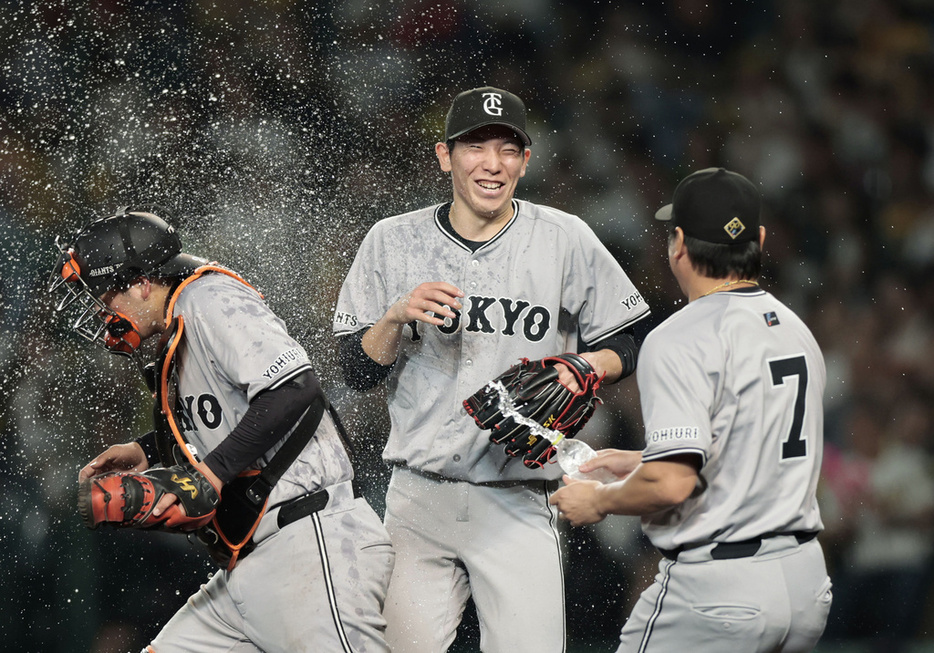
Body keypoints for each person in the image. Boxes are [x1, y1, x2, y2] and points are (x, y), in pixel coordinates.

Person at [332, 86, 651, 652]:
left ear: (525, 161)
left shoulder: (563, 237)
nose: (492, 163)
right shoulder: (392, 240)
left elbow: (630, 338)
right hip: (417, 500)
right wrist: (394, 316)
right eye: (475, 146)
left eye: (507, 149)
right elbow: (356, 371)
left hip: (519, 496)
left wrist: (586, 365)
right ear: (444, 155)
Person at [50, 210, 394, 653]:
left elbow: (294, 388)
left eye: (104, 298)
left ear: (140, 284)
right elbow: (231, 415)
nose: (102, 316)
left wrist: (209, 474)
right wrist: (147, 449)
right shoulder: (177, 319)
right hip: (247, 563)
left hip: (309, 543)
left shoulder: (209, 298)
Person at [550, 167, 833, 652]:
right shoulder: (795, 329)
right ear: (759, 240)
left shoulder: (680, 336)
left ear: (677, 243)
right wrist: (642, 460)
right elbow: (748, 457)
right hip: (806, 583)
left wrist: (598, 501)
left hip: (720, 592)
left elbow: (672, 482)